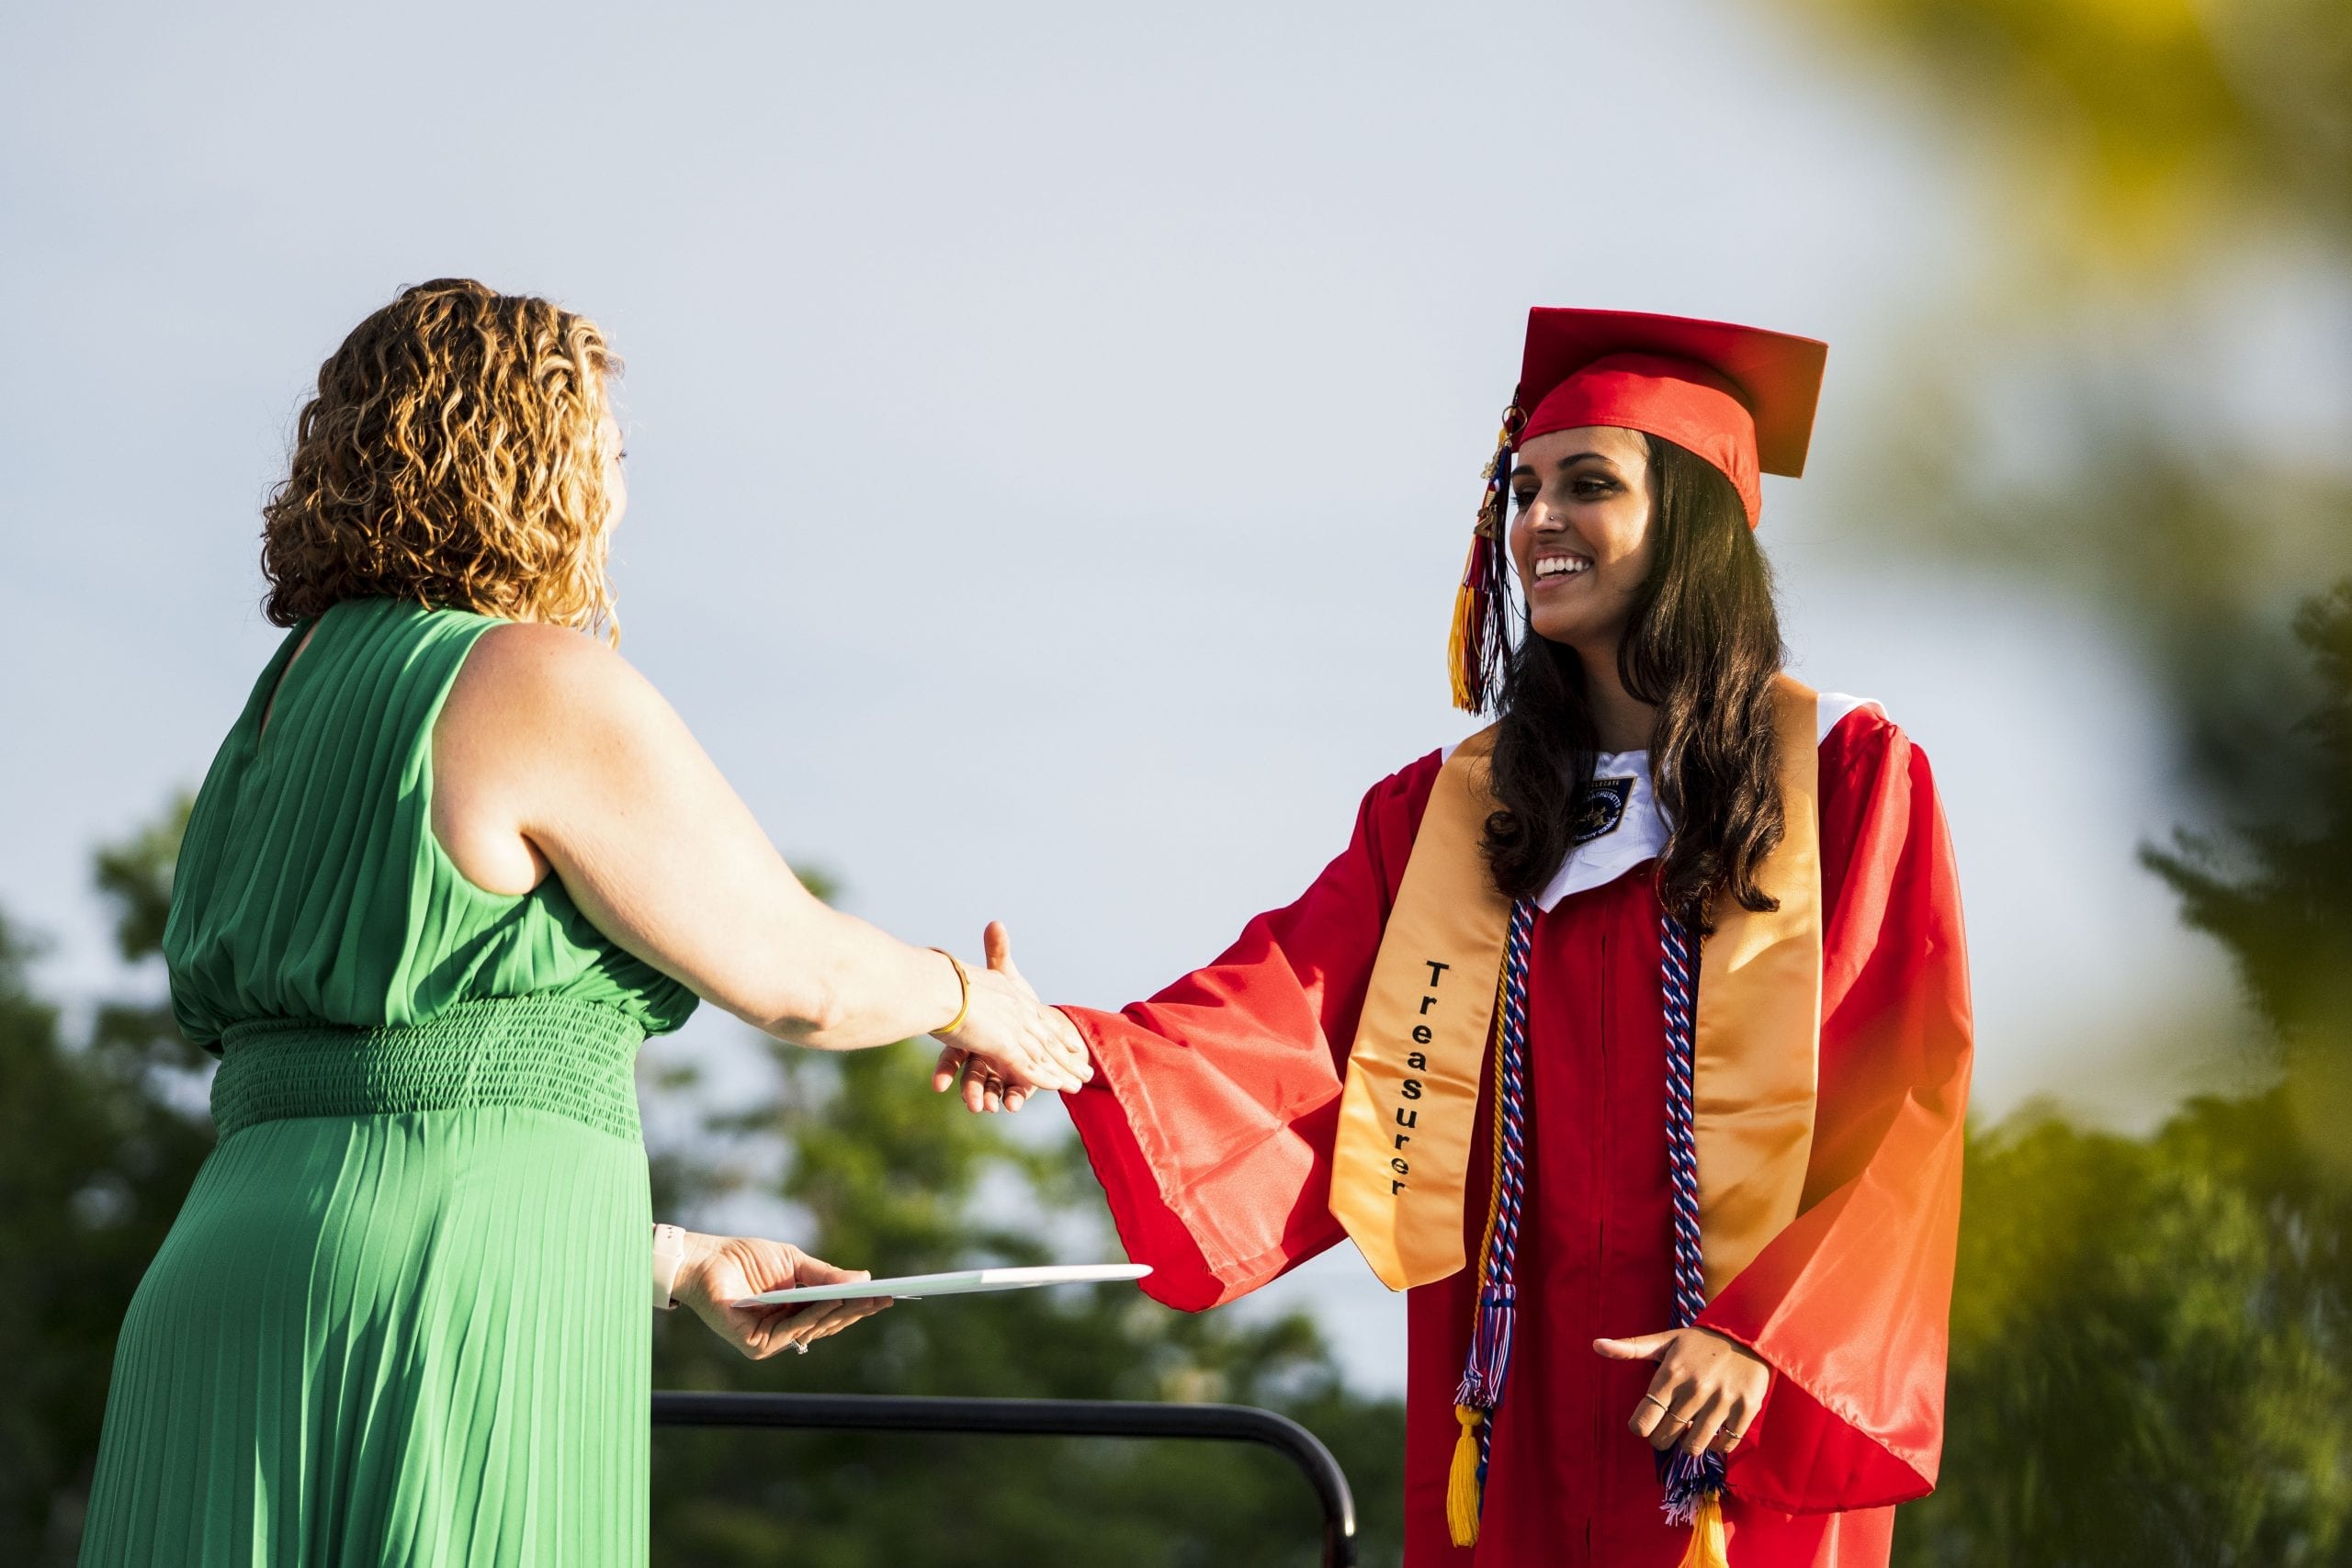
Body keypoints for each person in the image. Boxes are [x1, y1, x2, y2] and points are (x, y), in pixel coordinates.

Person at [77, 278, 1091, 1567]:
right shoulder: (527, 681)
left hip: (224, 1282)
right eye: (604, 454)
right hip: (437, 1308)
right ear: (535, 465)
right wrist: (971, 998)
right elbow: (799, 976)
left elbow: (380, 1092)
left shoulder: (280, 704)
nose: (616, 492)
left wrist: (670, 1260)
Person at [942, 310, 1972, 1567]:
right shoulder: (1451, 815)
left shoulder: (1842, 780)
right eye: (1521, 488)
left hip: (1720, 1418)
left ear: (1698, 523)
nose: (1536, 520)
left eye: (1588, 485)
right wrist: (1071, 1047)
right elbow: (1289, 1011)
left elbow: (1904, 1101)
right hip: (1511, 1392)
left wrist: (1769, 1334)